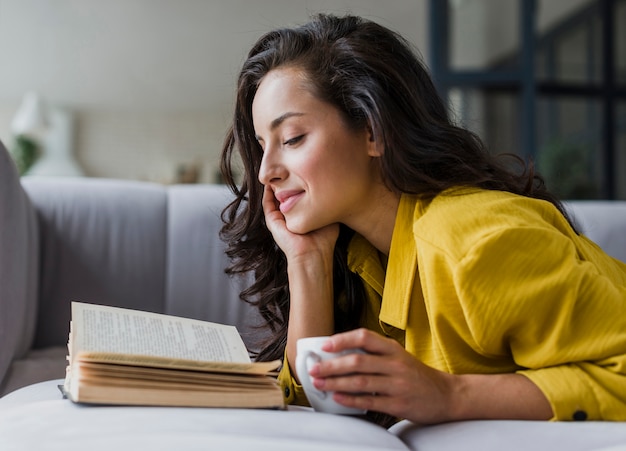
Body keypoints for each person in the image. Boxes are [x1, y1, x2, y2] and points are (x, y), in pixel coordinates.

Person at [219, 14, 626, 426]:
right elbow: (308, 420)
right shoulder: (359, 257)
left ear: (373, 131)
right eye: (261, 145)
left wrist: (452, 395)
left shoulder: (474, 243)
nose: (264, 171)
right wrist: (307, 262)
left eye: (291, 138)